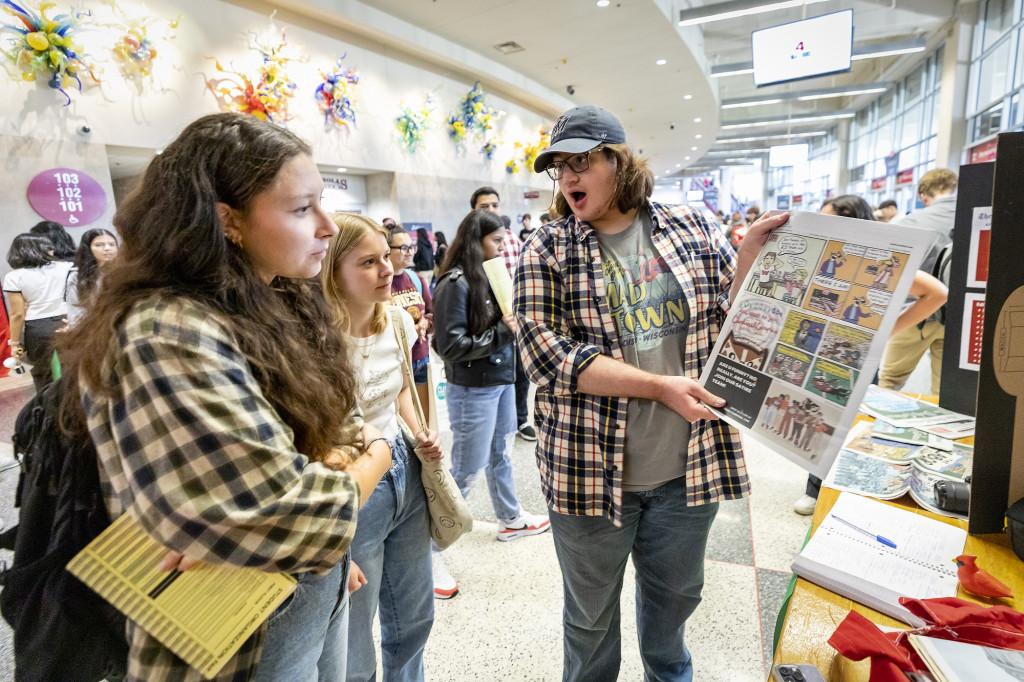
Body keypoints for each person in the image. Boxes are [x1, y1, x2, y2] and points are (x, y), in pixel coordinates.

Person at [58, 112, 394, 680]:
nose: (328, 226)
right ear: (228, 221)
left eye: (321, 202)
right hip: (232, 629)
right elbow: (286, 512)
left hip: (307, 586)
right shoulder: (166, 329)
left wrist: (341, 462)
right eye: (300, 208)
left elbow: (342, 425)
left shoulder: (280, 295)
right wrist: (381, 452)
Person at [519, 103, 790, 681]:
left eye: (581, 162)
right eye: (558, 167)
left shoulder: (690, 226)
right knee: (590, 628)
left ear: (617, 160)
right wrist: (657, 387)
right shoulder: (547, 248)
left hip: (686, 473)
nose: (567, 177)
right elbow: (543, 353)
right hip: (587, 474)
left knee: (671, 619)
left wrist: (746, 261)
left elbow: (728, 319)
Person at [321, 213, 441, 682]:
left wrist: (420, 431)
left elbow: (402, 390)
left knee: (414, 615)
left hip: (404, 473)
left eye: (385, 257)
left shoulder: (396, 321)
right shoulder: (314, 340)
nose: (388, 269)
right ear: (334, 272)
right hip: (352, 487)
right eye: (368, 262)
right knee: (353, 634)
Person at [793, 193, 948, 516]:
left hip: (858, 358)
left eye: (831, 219)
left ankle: (845, 486)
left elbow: (937, 293)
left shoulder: (879, 260)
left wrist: (889, 329)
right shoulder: (825, 254)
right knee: (819, 418)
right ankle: (815, 487)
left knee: (852, 424)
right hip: (819, 351)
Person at [432, 208, 550, 598]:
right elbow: (449, 345)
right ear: (476, 240)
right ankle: (429, 549)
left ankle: (510, 518)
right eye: (497, 240)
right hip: (473, 388)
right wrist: (504, 331)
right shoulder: (456, 282)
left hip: (499, 381)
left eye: (504, 239)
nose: (504, 246)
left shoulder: (490, 276)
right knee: (466, 468)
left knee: (501, 452)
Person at [878, 169, 958, 394]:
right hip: (958, 320)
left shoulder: (910, 221)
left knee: (889, 384)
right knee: (944, 393)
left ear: (924, 196)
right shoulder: (977, 218)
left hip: (914, 314)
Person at [469, 186, 535, 441]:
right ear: (473, 209)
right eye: (484, 206)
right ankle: (496, 420)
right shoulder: (469, 242)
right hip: (485, 320)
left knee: (519, 370)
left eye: (494, 205)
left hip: (512, 316)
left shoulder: (510, 238)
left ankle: (521, 419)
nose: (491, 210)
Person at [3, 233, 74, 392]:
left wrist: (14, 343)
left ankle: (48, 412)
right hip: (67, 321)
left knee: (44, 375)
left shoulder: (14, 277)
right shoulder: (66, 267)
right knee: (73, 368)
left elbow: (17, 314)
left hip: (37, 328)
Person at [386, 222, 434, 423]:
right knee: (404, 419)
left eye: (411, 246)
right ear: (387, 251)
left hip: (420, 357)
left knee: (423, 417)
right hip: (396, 362)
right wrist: (409, 330)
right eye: (403, 248)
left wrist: (424, 323)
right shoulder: (383, 282)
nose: (410, 252)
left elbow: (431, 313)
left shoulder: (416, 279)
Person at [65, 228, 118, 327]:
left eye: (112, 244)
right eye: (99, 245)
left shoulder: (124, 272)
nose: (107, 248)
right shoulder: (77, 276)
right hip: (92, 329)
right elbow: (75, 310)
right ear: (88, 248)